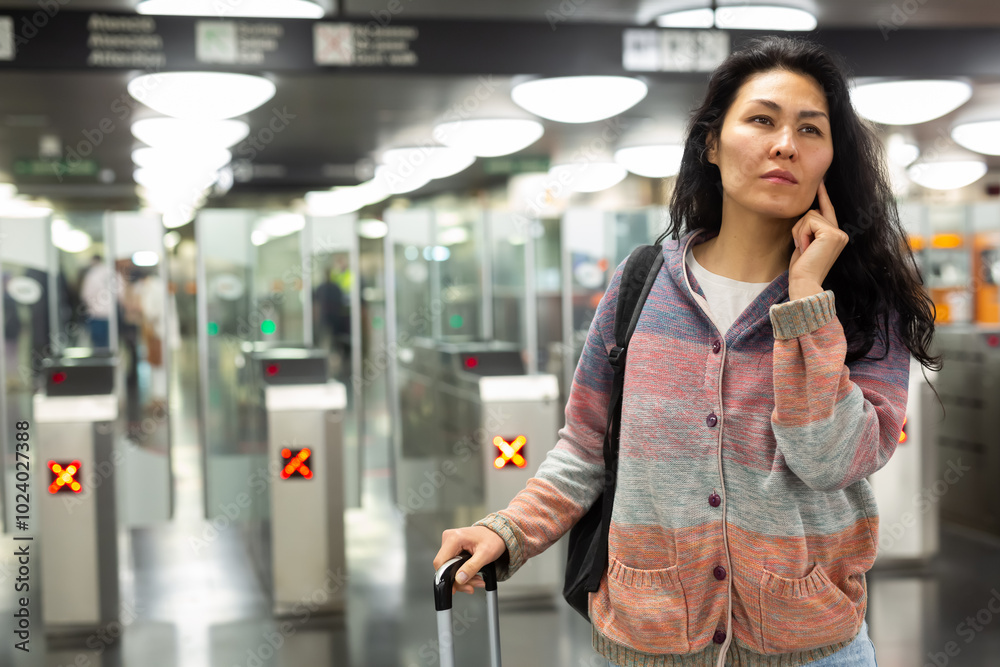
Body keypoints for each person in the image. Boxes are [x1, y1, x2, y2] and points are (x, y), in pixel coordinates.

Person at [434, 35, 939, 667]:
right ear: (711, 141)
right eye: (761, 119)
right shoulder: (642, 284)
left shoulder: (866, 303)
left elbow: (833, 460)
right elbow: (589, 446)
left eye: (811, 130)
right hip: (651, 640)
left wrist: (808, 298)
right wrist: (507, 529)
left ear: (830, 159)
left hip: (810, 646)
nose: (785, 144)